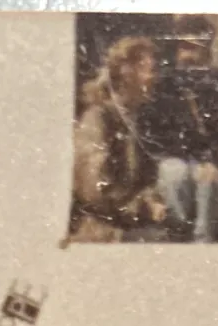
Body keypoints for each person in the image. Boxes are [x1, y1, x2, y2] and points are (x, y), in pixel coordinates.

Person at [138, 17, 218, 245]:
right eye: (183, 47)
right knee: (176, 174)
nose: (187, 55)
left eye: (194, 48)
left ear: (207, 48)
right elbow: (154, 134)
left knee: (210, 179)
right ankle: (177, 238)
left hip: (207, 161)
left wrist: (214, 160)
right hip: (173, 158)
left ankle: (203, 242)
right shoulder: (164, 84)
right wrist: (187, 155)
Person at [70, 34, 166, 244]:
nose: (155, 78)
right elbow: (94, 188)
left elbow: (147, 179)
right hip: (101, 231)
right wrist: (141, 206)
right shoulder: (97, 118)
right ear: (127, 73)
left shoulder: (138, 120)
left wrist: (151, 200)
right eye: (150, 71)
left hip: (131, 225)